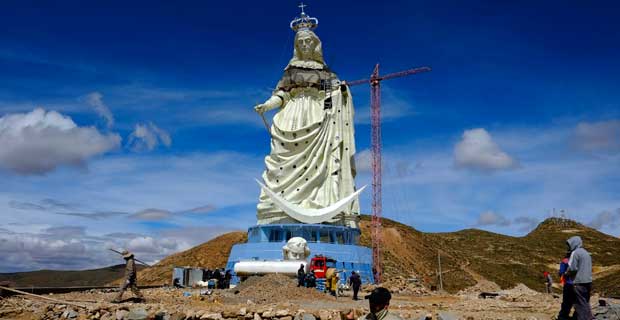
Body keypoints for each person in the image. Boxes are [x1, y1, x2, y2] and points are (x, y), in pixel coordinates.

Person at [254, 7, 360, 228]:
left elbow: (329, 96)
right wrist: (266, 106)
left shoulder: (326, 73)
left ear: (314, 44)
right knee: (282, 162)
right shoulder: (290, 72)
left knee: (321, 163)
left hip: (316, 116)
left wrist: (335, 101)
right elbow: (281, 95)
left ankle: (319, 205)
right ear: (296, 46)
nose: (304, 45)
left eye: (307, 42)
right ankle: (279, 212)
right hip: (291, 116)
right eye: (300, 42)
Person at [564, 236, 593, 320]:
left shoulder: (575, 253)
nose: (569, 247)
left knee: (579, 304)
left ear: (574, 243)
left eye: (569, 244)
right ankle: (589, 318)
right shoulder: (586, 253)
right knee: (585, 302)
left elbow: (573, 268)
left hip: (578, 282)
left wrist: (566, 273)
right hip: (588, 281)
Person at [557, 252, 576, 320]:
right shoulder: (578, 259)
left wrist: (562, 273)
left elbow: (561, 272)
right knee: (577, 301)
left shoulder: (565, 260)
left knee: (566, 302)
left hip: (568, 283)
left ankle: (563, 316)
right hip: (578, 284)